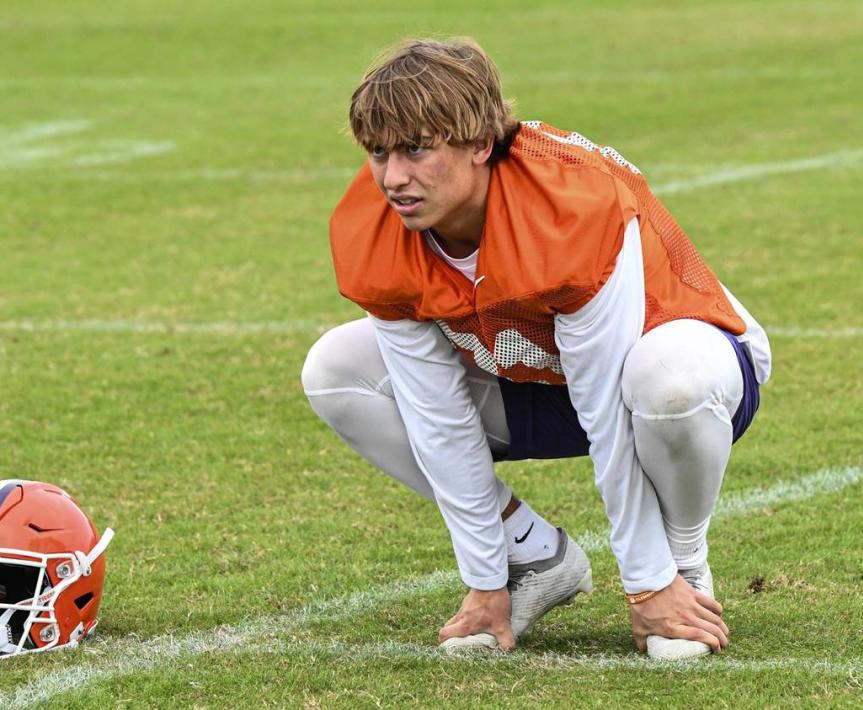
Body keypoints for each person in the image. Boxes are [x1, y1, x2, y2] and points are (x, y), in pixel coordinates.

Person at [301, 37, 771, 658]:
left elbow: (605, 407)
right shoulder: (375, 226)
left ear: (479, 143)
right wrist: (484, 576)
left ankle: (682, 568)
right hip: (532, 376)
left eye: (417, 148)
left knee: (667, 379)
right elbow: (435, 415)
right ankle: (533, 557)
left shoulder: (568, 205)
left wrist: (647, 581)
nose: (392, 177)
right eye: (379, 152)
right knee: (336, 368)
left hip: (682, 375)